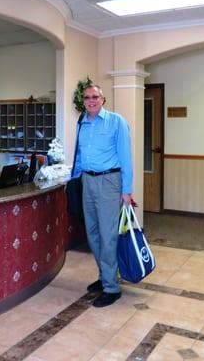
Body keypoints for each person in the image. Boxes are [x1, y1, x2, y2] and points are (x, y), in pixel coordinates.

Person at [71, 84, 133, 308]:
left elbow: (126, 158)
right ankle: (105, 275)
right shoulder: (82, 122)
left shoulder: (116, 122)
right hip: (87, 181)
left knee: (108, 236)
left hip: (109, 182)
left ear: (103, 99)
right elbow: (80, 154)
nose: (91, 100)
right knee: (93, 233)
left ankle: (111, 288)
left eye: (95, 97)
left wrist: (126, 190)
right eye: (87, 98)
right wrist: (73, 178)